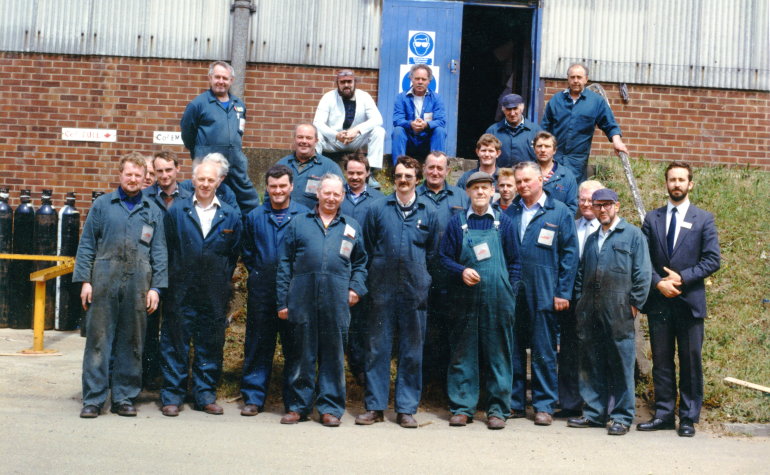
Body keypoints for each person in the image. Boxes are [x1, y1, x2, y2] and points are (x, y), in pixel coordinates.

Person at [74, 152, 168, 418]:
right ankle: (93, 399)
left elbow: (159, 251)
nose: (133, 179)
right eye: (129, 174)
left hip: (139, 283)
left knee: (132, 341)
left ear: (144, 179)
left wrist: (156, 288)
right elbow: (87, 245)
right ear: (120, 175)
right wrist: (85, 281)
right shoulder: (103, 205)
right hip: (103, 281)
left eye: (139, 175)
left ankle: (124, 397)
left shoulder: (152, 210)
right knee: (98, 340)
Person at [277, 174, 367, 427]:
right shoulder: (298, 223)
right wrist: (282, 301)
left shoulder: (351, 227)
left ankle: (330, 408)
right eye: (326, 193)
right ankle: (298, 406)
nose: (331, 198)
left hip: (337, 299)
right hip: (302, 298)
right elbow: (285, 264)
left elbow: (360, 263)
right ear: (318, 193)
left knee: (333, 355)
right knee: (301, 353)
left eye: (336, 194)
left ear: (342, 197)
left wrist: (356, 289)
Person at [638, 161, 721, 437]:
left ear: (690, 184)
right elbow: (642, 259)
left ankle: (687, 417)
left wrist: (682, 278)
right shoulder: (652, 218)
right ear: (666, 184)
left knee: (690, 361)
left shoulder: (703, 219)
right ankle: (663, 414)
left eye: (681, 180)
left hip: (689, 302)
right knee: (661, 361)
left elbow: (712, 260)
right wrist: (658, 282)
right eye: (672, 179)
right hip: (660, 301)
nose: (676, 184)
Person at [356, 156, 439, 429]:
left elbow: (433, 254)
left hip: (415, 291)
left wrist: (423, 279)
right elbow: (367, 247)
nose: (403, 181)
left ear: (418, 179)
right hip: (382, 290)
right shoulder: (377, 208)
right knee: (377, 348)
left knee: (412, 351)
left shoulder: (429, 211)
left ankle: (405, 409)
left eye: (409, 176)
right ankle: (375, 407)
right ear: (393, 179)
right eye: (399, 176)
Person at [159, 160, 242, 417]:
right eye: (201, 179)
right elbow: (169, 247)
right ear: (193, 181)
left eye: (211, 180)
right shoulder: (177, 211)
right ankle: (172, 395)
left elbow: (233, 254)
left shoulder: (230, 215)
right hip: (181, 291)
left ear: (219, 182)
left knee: (210, 344)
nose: (205, 184)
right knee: (175, 343)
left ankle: (205, 395)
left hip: (214, 293)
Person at [439, 171, 522, 430]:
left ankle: (498, 409)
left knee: (499, 353)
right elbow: (443, 258)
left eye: (485, 188)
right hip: (465, 299)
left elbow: (515, 262)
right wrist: (460, 271)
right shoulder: (457, 223)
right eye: (475, 188)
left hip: (499, 299)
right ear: (468, 192)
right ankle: (462, 408)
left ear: (492, 191)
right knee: (463, 352)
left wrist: (511, 292)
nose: (480, 193)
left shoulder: (503, 223)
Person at [567, 188, 651, 435]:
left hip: (620, 311)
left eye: (606, 204)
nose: (602, 209)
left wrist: (634, 305)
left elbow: (643, 274)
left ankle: (622, 417)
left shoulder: (634, 235)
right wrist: (580, 300)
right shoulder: (593, 238)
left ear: (617, 206)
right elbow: (582, 272)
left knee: (622, 364)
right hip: (590, 311)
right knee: (591, 362)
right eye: (597, 205)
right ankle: (593, 413)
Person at [504, 161, 578, 426]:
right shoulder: (509, 212)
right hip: (514, 291)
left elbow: (570, 255)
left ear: (541, 181)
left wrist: (563, 292)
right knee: (512, 348)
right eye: (519, 182)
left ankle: (544, 405)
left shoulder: (559, 212)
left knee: (543, 349)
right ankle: (514, 403)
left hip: (545, 290)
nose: (523, 186)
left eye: (527, 181)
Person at [240, 165, 309, 417]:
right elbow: (247, 252)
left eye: (282, 186)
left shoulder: (304, 215)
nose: (277, 191)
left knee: (295, 347)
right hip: (263, 292)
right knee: (258, 344)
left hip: (295, 291)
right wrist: (260, 272)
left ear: (291, 186)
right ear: (266, 188)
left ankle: (294, 402)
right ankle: (253, 398)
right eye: (273, 186)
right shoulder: (255, 216)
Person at [140, 150, 193, 389]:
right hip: (150, 271)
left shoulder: (190, 197)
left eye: (168, 170)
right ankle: (149, 375)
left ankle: (172, 378)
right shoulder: (143, 197)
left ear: (177, 169)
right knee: (148, 326)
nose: (164, 175)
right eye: (159, 170)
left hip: (180, 272)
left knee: (174, 327)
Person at [417, 151, 470, 385]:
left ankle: (447, 386)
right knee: (423, 332)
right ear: (423, 169)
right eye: (431, 167)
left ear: (448, 171)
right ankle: (425, 385)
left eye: (440, 168)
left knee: (452, 331)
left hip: (452, 277)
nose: (435, 172)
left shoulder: (461, 195)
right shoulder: (414, 195)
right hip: (421, 274)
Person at [181, 60, 260, 214]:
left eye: (225, 78)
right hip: (210, 165)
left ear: (231, 80)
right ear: (210, 78)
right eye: (217, 77)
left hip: (236, 165)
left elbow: (239, 133)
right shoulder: (198, 104)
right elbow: (187, 136)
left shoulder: (239, 105)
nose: (221, 82)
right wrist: (201, 151)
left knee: (250, 202)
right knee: (209, 201)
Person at [556, 179, 605, 419]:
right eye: (582, 199)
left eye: (591, 200)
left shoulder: (606, 228)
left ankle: (595, 404)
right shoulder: (570, 225)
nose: (586, 204)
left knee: (594, 351)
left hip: (596, 299)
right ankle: (569, 403)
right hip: (570, 298)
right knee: (568, 351)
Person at [338, 150, 384, 385]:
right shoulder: (337, 196)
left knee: (363, 322)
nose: (355, 177)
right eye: (351, 173)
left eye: (359, 173)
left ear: (368, 173)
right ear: (345, 173)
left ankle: (361, 369)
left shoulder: (379, 199)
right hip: (339, 268)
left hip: (368, 270)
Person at [540, 63, 628, 183]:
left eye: (579, 77)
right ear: (568, 78)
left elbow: (610, 124)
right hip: (553, 159)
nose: (576, 81)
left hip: (577, 162)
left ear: (586, 79)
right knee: (550, 192)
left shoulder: (595, 102)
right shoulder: (556, 100)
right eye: (572, 77)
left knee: (574, 196)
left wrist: (617, 142)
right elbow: (544, 128)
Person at [314, 70, 385, 169]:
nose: (346, 85)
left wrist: (356, 130)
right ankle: (313, 167)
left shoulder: (365, 96)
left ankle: (371, 170)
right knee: (315, 132)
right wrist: (336, 135)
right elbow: (317, 122)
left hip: (356, 141)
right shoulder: (328, 97)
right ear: (337, 84)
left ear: (354, 83)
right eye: (342, 82)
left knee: (379, 131)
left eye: (349, 81)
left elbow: (378, 119)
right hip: (334, 141)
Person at [274, 123, 344, 210]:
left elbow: (341, 200)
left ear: (316, 142)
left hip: (315, 222)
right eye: (300, 137)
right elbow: (269, 196)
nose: (304, 141)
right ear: (294, 140)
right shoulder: (281, 165)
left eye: (309, 138)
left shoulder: (330, 167)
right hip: (283, 221)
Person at [392, 64, 446, 162]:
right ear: (411, 79)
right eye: (417, 78)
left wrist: (426, 125)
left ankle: (437, 166)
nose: (420, 82)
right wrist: (410, 124)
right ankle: (398, 168)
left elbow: (441, 121)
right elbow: (397, 120)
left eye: (423, 79)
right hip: (409, 141)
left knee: (440, 131)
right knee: (398, 130)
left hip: (427, 141)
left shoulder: (436, 98)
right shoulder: (401, 97)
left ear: (429, 81)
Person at [485, 94, 542, 168]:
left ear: (522, 108)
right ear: (503, 110)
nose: (512, 113)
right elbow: (484, 157)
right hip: (500, 177)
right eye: (509, 109)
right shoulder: (493, 131)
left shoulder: (536, 131)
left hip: (527, 178)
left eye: (515, 108)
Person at [179, 153, 241, 219]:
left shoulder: (227, 192)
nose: (206, 184)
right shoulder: (185, 186)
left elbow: (236, 218)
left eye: (216, 170)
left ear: (222, 178)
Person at [534, 131, 578, 215]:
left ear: (554, 150)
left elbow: (571, 208)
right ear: (534, 150)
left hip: (556, 225)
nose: (543, 150)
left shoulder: (567, 176)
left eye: (547, 146)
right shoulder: (526, 173)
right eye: (539, 146)